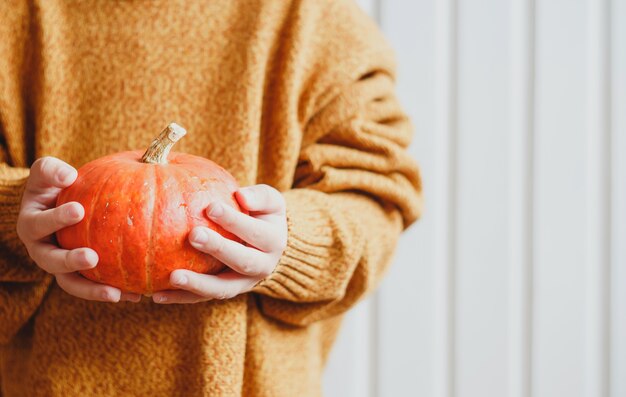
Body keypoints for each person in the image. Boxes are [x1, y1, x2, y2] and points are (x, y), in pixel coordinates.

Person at [0, 0, 423, 395]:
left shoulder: (318, 22)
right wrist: (14, 214)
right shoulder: (13, 16)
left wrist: (289, 242)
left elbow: (375, 193)